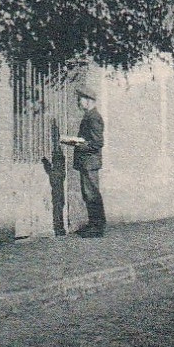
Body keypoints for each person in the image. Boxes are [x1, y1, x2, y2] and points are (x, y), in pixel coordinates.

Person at [60, 82, 106, 237]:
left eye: (80, 99)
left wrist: (79, 143)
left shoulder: (93, 118)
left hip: (90, 162)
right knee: (88, 194)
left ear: (88, 100)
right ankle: (94, 224)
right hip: (87, 162)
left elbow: (97, 143)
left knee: (92, 194)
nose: (79, 102)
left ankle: (97, 227)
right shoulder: (89, 116)